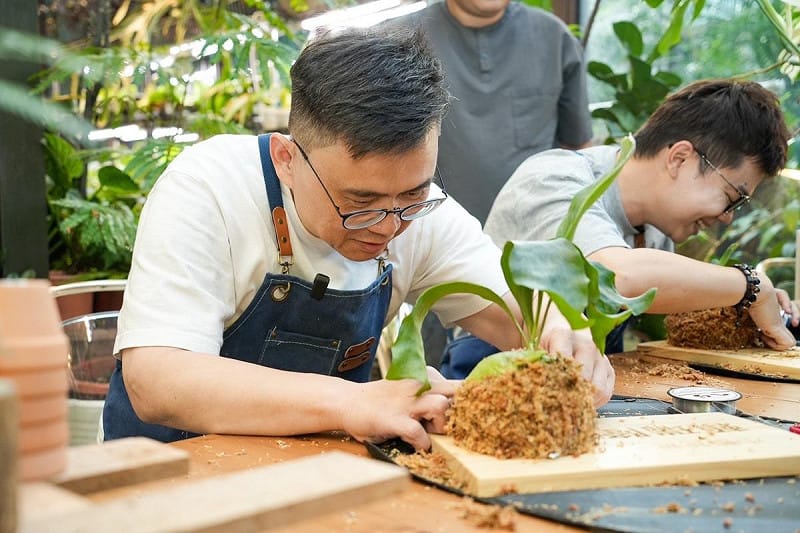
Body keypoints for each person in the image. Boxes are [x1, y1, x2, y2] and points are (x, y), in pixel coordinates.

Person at [102, 28, 613, 451]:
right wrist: (354, 400)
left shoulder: (416, 212)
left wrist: (563, 335)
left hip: (314, 478)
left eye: (414, 194)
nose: (389, 225)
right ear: (287, 159)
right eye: (359, 204)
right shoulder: (208, 189)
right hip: (164, 481)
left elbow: (515, 308)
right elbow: (158, 380)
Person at [442, 78, 799, 379]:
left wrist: (749, 315)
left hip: (584, 380)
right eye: (732, 196)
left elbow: (659, 308)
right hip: (491, 373)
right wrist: (753, 286)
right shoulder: (555, 176)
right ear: (680, 158)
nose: (726, 217)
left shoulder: (657, 230)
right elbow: (615, 277)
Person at [384, 0, 593, 224]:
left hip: (536, 232)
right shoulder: (396, 41)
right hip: (430, 234)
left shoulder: (553, 38)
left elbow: (578, 149)